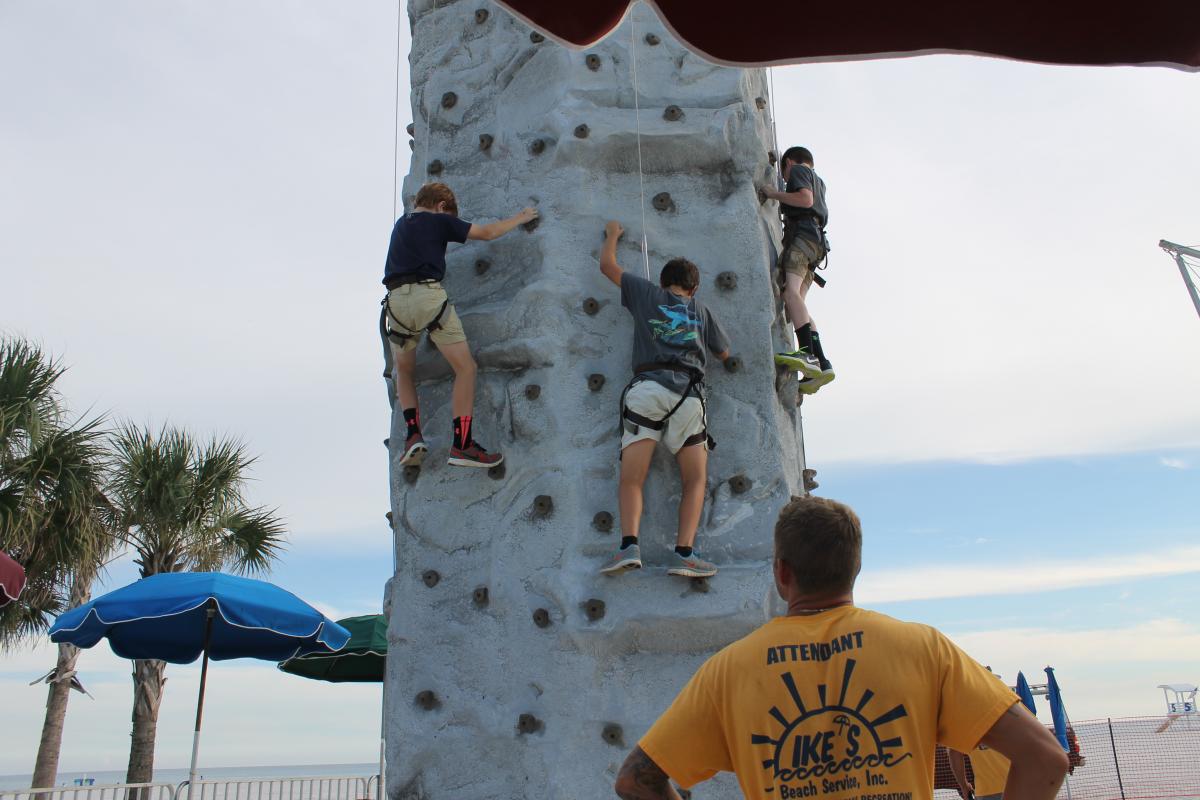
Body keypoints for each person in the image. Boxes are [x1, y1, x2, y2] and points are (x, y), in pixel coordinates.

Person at [613, 496, 1069, 800]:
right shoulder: (923, 648)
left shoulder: (728, 671)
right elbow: (1046, 759)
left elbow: (636, 780)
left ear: (782, 572)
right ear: (855, 570)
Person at [596, 220, 731, 580]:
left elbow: (608, 267)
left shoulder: (646, 293)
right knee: (695, 480)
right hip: (688, 395)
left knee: (632, 478)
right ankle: (684, 553)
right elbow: (724, 352)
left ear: (663, 281)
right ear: (695, 287)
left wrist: (612, 236)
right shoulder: (701, 311)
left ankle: (628, 547)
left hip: (647, 391)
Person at [383, 182, 537, 468]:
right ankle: (462, 443)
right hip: (427, 297)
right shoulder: (440, 220)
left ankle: (413, 435)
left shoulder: (400, 225)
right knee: (466, 368)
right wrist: (522, 216)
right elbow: (487, 234)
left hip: (395, 304)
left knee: (403, 371)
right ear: (442, 206)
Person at [761, 146, 835, 395]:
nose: (785, 179)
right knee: (795, 301)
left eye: (784, 173)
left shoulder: (799, 171)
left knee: (791, 294)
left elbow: (805, 199)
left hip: (803, 237)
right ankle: (822, 362)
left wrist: (773, 194)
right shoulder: (820, 181)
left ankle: (807, 355)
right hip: (816, 246)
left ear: (789, 163)